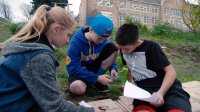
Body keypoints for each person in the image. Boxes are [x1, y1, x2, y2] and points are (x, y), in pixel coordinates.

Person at [0, 5, 102, 112]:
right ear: (56, 29)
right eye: (68, 35)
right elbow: (55, 108)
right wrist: (90, 111)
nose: (68, 41)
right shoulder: (38, 57)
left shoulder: (30, 47)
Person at [115, 23, 191, 112]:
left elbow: (171, 72)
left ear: (136, 42)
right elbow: (131, 68)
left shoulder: (151, 47)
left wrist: (160, 93)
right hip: (144, 93)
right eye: (121, 48)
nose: (123, 51)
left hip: (168, 89)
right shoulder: (124, 49)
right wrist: (129, 86)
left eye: (126, 49)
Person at [66, 14, 119, 95]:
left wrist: (113, 68)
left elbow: (109, 57)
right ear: (90, 30)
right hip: (80, 72)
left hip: (94, 70)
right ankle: (93, 81)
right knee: (78, 88)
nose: (102, 41)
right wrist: (96, 78)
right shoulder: (76, 42)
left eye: (105, 38)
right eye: (99, 38)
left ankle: (96, 81)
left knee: (112, 48)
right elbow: (72, 68)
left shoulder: (104, 40)